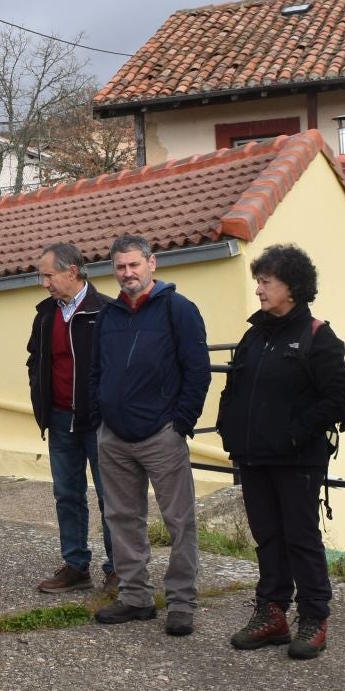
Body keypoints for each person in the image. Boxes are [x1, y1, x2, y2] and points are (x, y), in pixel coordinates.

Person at [215, 244, 345, 659]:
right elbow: (236, 387)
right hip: (254, 456)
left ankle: (313, 618)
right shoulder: (255, 335)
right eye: (258, 281)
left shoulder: (318, 337)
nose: (257, 289)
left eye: (265, 282)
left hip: (297, 460)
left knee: (301, 539)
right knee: (267, 537)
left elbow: (335, 402)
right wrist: (229, 430)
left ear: (291, 287)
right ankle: (271, 614)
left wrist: (293, 434)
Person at [90, 234, 212, 634]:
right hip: (114, 437)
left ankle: (180, 602)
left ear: (151, 264)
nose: (127, 273)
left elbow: (197, 372)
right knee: (122, 518)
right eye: (120, 267)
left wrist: (180, 424)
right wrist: (100, 416)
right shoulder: (107, 316)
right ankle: (135, 597)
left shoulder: (179, 310)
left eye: (134, 265)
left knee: (179, 520)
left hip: (161, 434)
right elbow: (96, 373)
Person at [25, 243, 115, 594]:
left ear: (72, 272)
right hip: (61, 420)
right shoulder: (46, 314)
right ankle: (76, 566)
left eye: (48, 275)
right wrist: (42, 402)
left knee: (112, 497)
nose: (44, 282)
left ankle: (118, 568)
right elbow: (36, 359)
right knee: (66, 494)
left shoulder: (105, 311)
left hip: (100, 423)